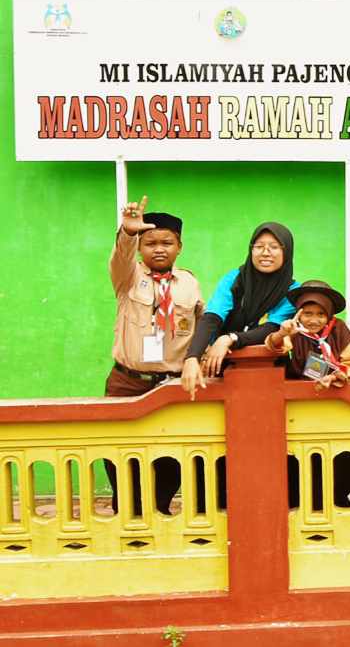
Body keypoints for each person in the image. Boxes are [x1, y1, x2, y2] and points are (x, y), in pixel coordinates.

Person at [107, 196, 202, 516]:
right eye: (150, 243)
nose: (159, 249)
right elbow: (121, 258)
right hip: (128, 382)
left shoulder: (189, 283)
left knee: (170, 457)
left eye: (167, 242)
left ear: (179, 246)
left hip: (171, 386)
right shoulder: (128, 276)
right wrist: (128, 233)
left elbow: (204, 326)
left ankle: (158, 511)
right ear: (141, 247)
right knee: (119, 453)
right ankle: (127, 514)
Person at [264, 280, 350, 508]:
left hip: (334, 408)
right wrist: (282, 334)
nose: (313, 320)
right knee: (300, 459)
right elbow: (272, 347)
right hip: (299, 410)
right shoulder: (291, 330)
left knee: (337, 457)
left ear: (329, 315)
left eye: (320, 314)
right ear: (299, 313)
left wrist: (336, 376)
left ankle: (337, 503)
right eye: (307, 313)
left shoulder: (339, 329)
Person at [181, 222, 298, 398]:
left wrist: (229, 338)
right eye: (259, 246)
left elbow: (271, 328)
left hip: (270, 371)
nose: (265, 252)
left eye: (274, 247)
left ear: (286, 252)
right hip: (223, 366)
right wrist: (193, 357)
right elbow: (213, 316)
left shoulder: (293, 290)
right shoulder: (234, 279)